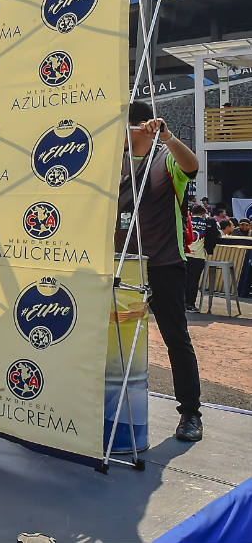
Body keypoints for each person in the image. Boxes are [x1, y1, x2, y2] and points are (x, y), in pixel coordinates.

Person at [121, 101, 203, 442]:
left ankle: (190, 414)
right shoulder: (114, 162)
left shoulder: (165, 158)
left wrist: (168, 137)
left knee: (176, 340)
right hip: (123, 266)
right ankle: (109, 408)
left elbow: (192, 165)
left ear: (138, 127)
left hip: (165, 264)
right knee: (112, 341)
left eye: (120, 127)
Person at [184, 205, 220, 313]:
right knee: (193, 281)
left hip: (184, 255)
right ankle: (190, 304)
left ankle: (181, 303)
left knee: (182, 281)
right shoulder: (208, 222)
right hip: (198, 256)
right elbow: (216, 235)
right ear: (203, 214)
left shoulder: (186, 221)